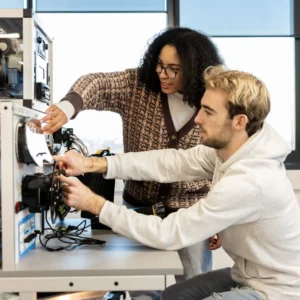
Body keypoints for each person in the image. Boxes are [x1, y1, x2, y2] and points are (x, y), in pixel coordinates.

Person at [55, 65, 300, 300]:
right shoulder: (231, 151)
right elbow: (170, 163)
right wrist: (91, 164)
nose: (198, 119)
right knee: (174, 295)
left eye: (208, 111)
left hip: (275, 290)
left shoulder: (251, 179)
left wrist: (95, 204)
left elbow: (168, 233)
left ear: (239, 122)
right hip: (248, 274)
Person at [41, 27, 224, 284]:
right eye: (159, 65)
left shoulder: (211, 102)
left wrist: (217, 220)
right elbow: (96, 83)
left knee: (193, 286)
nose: (163, 74)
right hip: (140, 210)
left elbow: (221, 163)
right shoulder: (138, 86)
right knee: (143, 287)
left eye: (174, 69)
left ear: (194, 69)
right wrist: (68, 106)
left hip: (192, 215)